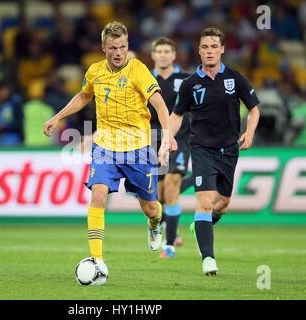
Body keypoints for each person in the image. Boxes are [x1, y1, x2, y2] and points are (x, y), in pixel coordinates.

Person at [43, 21, 176, 263]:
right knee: (99, 194)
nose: (118, 53)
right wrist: (57, 117)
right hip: (105, 147)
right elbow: (84, 96)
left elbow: (159, 104)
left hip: (138, 148)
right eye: (113, 48)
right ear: (103, 47)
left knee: (151, 208)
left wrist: (167, 135)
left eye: (123, 47)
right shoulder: (95, 71)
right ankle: (97, 260)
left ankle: (154, 224)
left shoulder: (138, 70)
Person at [170, 28, 260, 275]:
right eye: (204, 47)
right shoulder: (190, 84)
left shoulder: (235, 78)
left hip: (229, 150)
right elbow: (177, 114)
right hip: (201, 149)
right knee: (206, 202)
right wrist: (167, 136)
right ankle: (208, 258)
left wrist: (249, 132)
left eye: (213, 46)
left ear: (222, 49)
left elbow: (254, 109)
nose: (209, 51)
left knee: (222, 205)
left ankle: (201, 226)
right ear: (199, 51)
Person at [148, 37, 191, 259]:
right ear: (153, 55)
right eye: (159, 51)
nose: (163, 55)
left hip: (179, 139)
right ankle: (170, 226)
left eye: (167, 51)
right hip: (151, 140)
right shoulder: (144, 79)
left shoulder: (186, 79)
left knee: (172, 186)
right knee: (160, 193)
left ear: (174, 55)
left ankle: (170, 245)